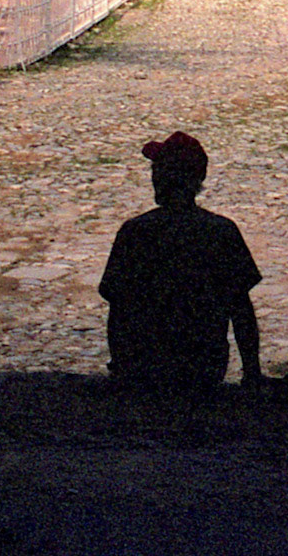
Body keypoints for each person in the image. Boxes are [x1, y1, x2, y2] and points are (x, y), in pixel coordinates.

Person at [99, 130, 263, 398]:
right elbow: (240, 310)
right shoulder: (221, 232)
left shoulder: (135, 232)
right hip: (204, 368)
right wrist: (252, 372)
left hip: (144, 368)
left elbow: (118, 306)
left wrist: (121, 366)